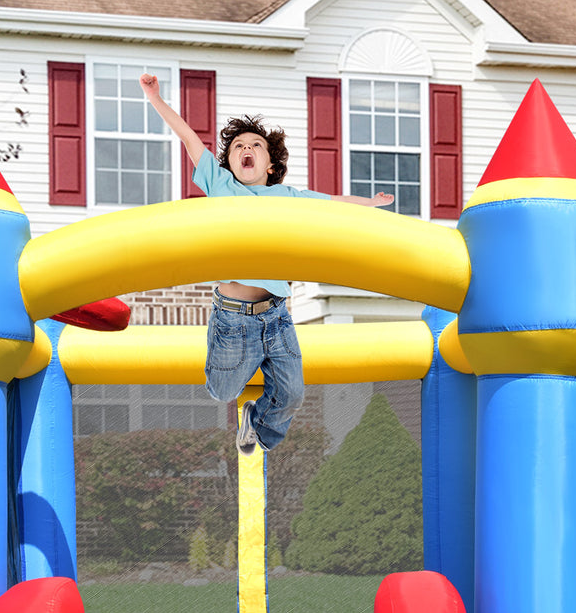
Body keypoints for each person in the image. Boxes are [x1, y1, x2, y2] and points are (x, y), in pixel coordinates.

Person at [138, 73, 393, 454]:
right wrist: (155, 98)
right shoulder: (222, 187)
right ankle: (244, 388)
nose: (247, 149)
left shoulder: (287, 196)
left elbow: (332, 202)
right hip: (233, 315)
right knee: (221, 389)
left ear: (270, 164)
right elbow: (190, 139)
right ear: (229, 163)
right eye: (239, 146)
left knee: (292, 394)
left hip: (276, 314)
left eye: (255, 145)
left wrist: (370, 203)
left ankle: (256, 421)